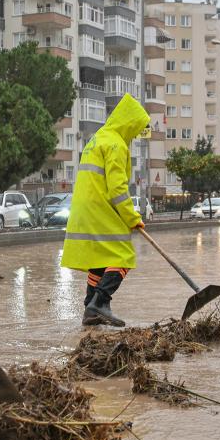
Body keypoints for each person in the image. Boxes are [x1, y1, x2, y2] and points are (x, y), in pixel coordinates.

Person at [61, 93, 149, 327]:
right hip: (101, 209)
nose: (136, 134)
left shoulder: (97, 138)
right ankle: (100, 302)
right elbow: (118, 188)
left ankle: (90, 308)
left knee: (101, 260)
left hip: (84, 209)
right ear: (129, 123)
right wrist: (133, 218)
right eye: (137, 128)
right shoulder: (116, 144)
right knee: (123, 256)